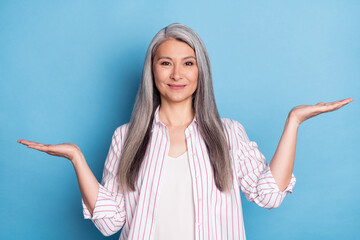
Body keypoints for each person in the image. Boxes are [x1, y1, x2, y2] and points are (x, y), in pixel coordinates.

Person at [18, 23, 353, 240]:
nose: (176, 74)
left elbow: (268, 196)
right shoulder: (126, 136)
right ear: (152, 71)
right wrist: (77, 158)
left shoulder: (228, 133)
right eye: (165, 63)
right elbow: (110, 223)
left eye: (188, 63)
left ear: (200, 71)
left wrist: (293, 122)